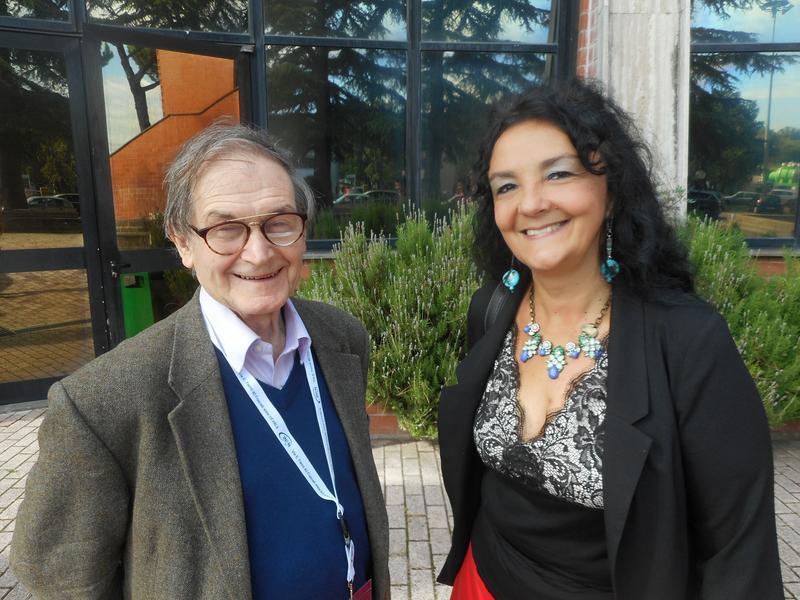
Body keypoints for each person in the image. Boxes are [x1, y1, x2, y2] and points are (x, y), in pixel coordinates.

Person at [11, 122, 389, 600]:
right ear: (183, 242)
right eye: (226, 229)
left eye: (279, 221)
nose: (259, 251)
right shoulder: (100, 405)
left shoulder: (342, 339)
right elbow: (60, 579)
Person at [437, 79, 783, 599]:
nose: (530, 203)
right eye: (505, 185)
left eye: (558, 174)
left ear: (611, 186)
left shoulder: (688, 339)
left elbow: (738, 549)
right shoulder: (493, 308)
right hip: (482, 581)